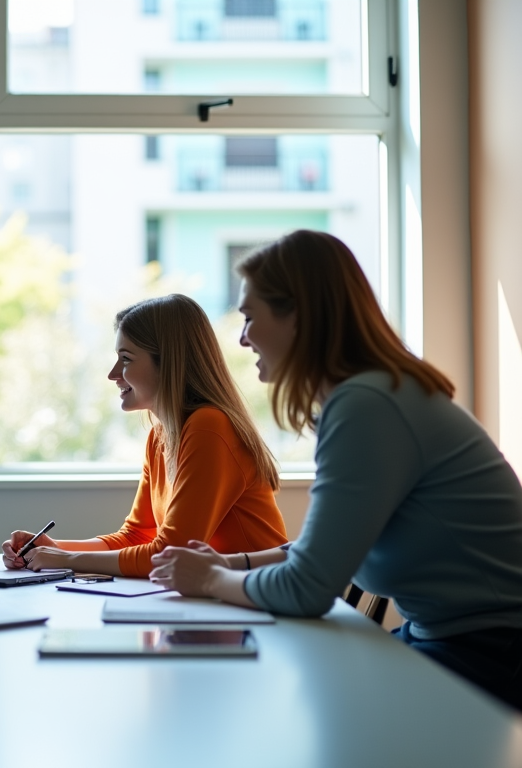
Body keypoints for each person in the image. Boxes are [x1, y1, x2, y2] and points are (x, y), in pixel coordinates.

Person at [149, 230, 522, 710]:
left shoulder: (367, 405)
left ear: (298, 317)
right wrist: (229, 565)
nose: (242, 339)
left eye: (249, 318)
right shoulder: (371, 395)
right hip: (456, 636)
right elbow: (315, 554)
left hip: (492, 651)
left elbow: (306, 588)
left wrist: (207, 580)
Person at [1, 294, 288, 578]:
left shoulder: (210, 427)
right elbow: (137, 535)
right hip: (219, 597)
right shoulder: (160, 435)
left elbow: (169, 553)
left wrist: (67, 559)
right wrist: (50, 548)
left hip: (259, 601)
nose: (113, 374)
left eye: (125, 359)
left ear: (169, 363)